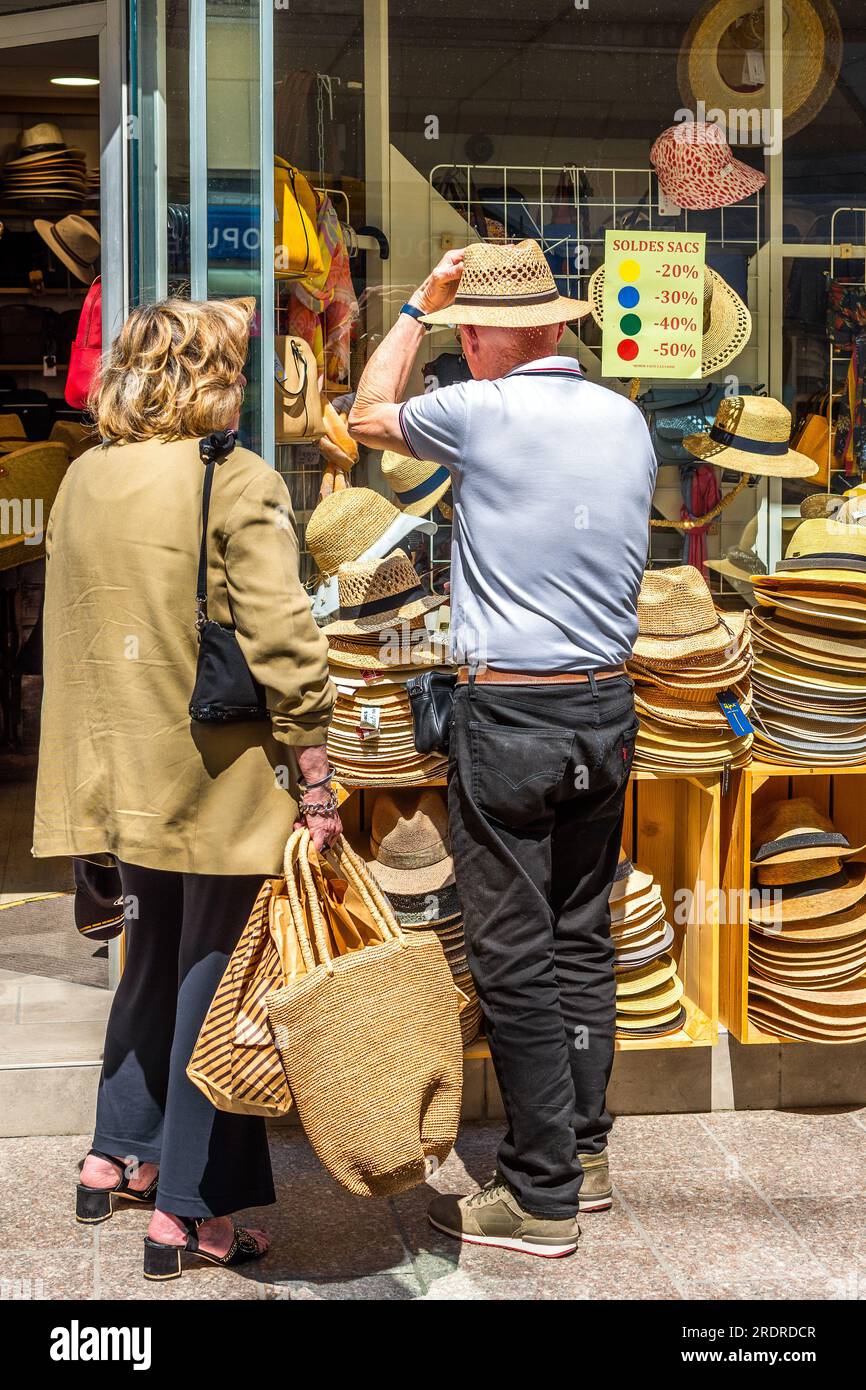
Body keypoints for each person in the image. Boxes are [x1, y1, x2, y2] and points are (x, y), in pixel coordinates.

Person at [349, 240, 656, 1258]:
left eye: (463, 333)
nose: (459, 348)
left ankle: (538, 1193)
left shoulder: (476, 411)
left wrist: (411, 311)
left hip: (511, 716)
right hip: (605, 709)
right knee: (579, 936)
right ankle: (583, 1151)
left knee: (514, 951)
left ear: (483, 336)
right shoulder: (623, 418)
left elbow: (360, 416)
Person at [33, 297, 339, 1278]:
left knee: (150, 951)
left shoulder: (83, 477)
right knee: (220, 979)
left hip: (113, 763)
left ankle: (114, 1152)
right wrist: (319, 776)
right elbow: (283, 641)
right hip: (214, 773)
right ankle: (192, 1209)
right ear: (212, 376)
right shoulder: (234, 477)